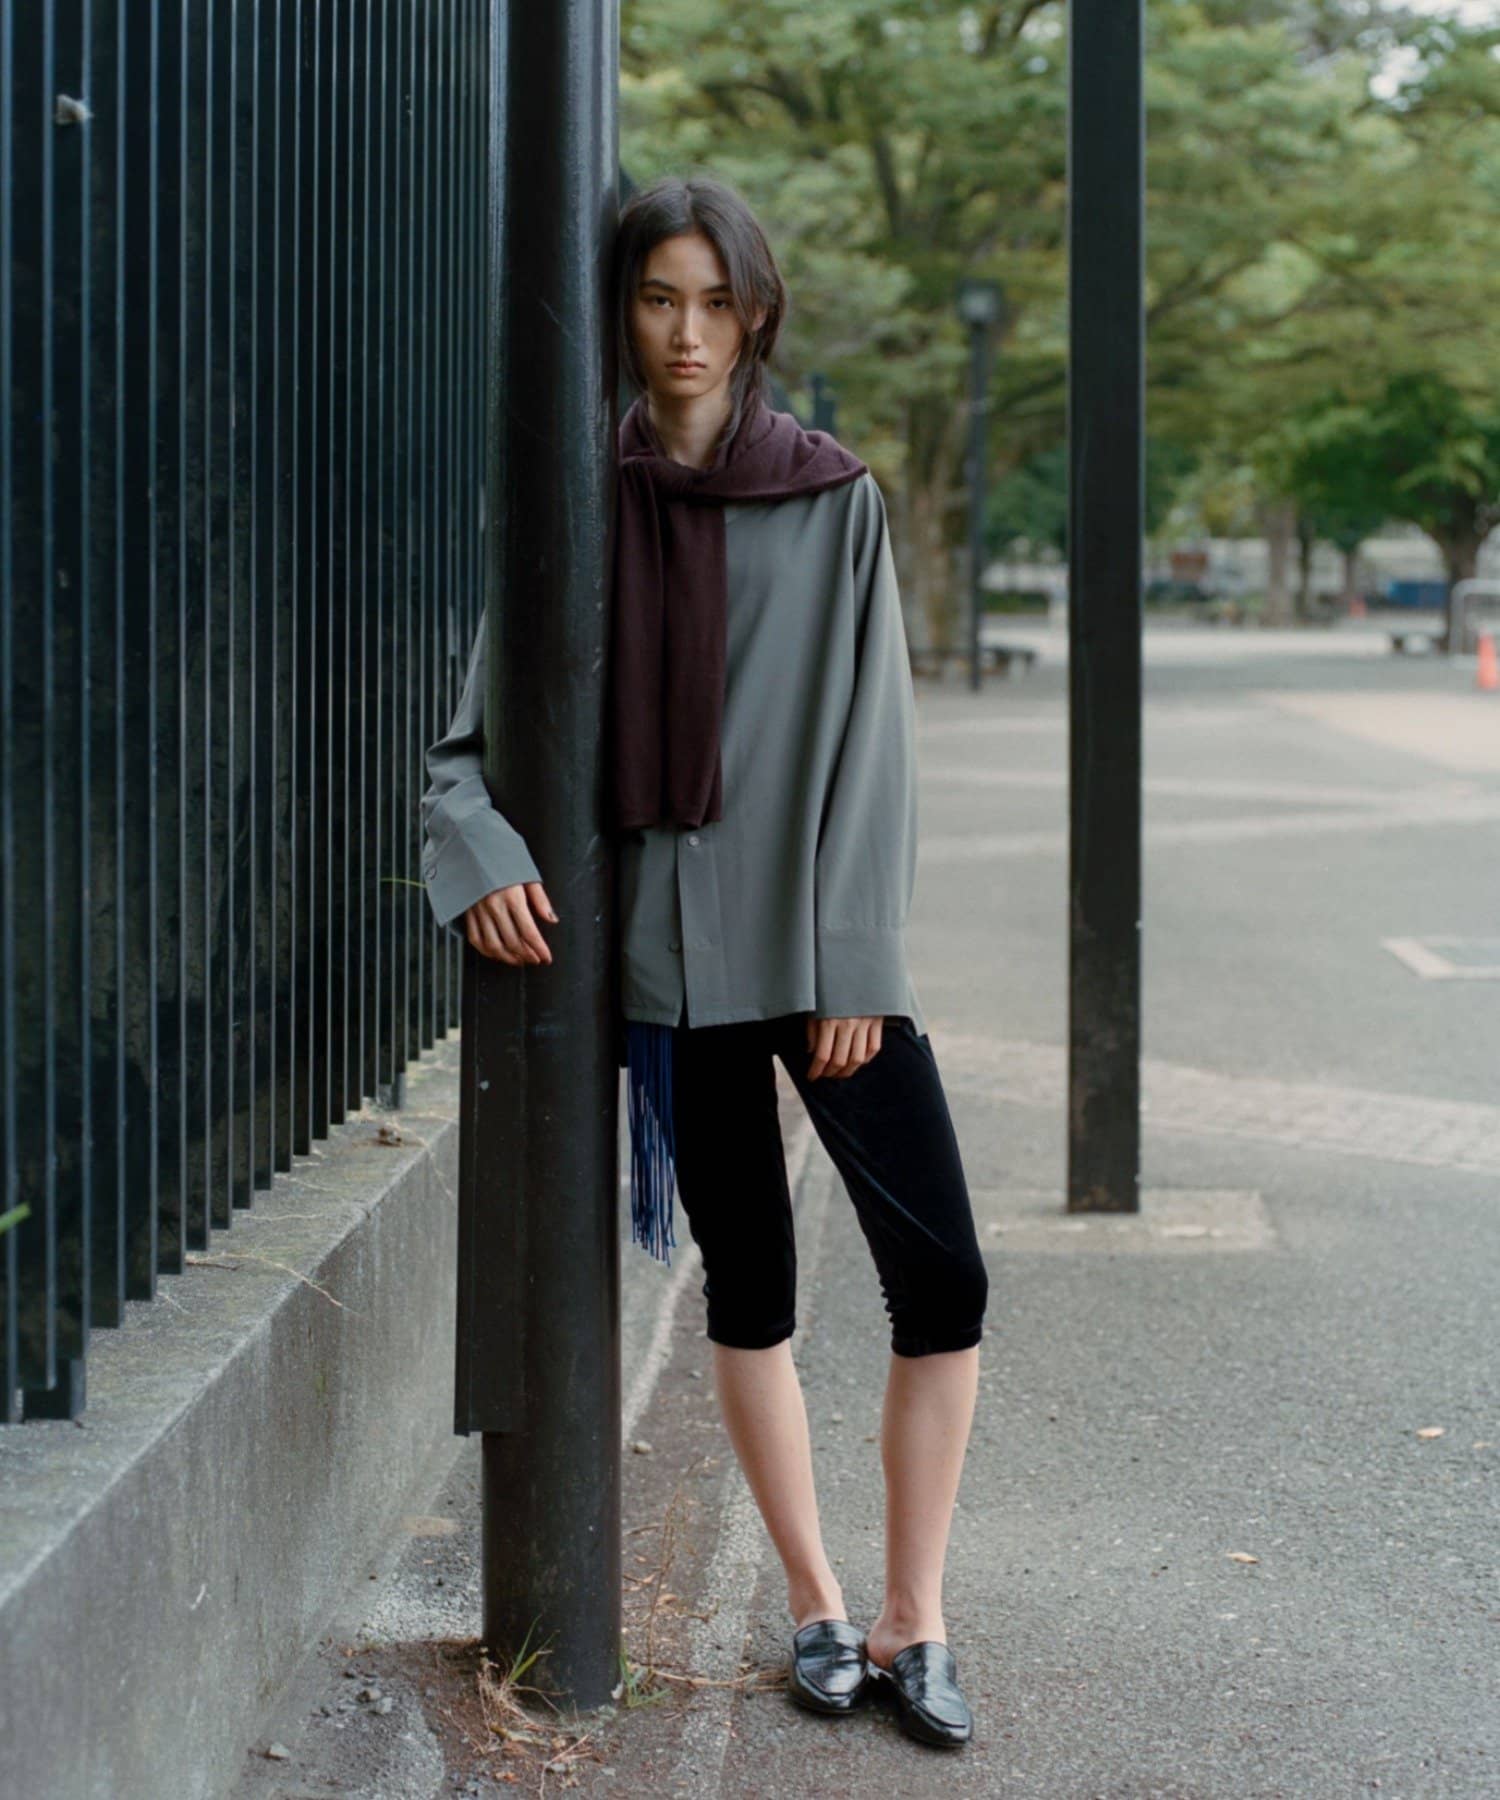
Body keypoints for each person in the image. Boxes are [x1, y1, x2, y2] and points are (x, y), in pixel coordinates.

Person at [419, 174, 988, 1751]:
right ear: (622, 312)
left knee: (945, 1281)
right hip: (669, 970)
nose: (687, 333)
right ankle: (817, 1604)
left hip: (818, 953)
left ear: (757, 315)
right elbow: (466, 751)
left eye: (716, 302)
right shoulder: (573, 504)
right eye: (659, 298)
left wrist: (859, 964)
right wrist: (484, 856)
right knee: (755, 1288)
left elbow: (876, 747)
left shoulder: (834, 499)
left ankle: (919, 1614)